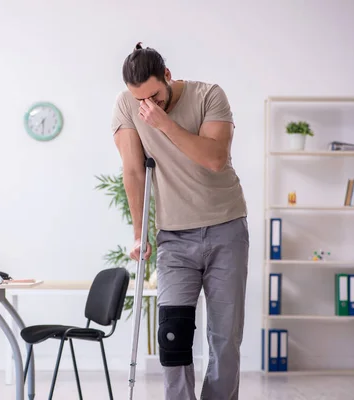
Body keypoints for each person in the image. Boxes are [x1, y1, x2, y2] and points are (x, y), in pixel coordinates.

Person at [111, 42, 249, 400]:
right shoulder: (128, 105)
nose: (147, 106)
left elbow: (216, 158)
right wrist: (139, 233)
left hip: (226, 229)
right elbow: (133, 170)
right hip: (174, 237)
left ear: (168, 77)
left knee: (224, 338)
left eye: (154, 96)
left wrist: (165, 124)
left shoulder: (209, 96)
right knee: (173, 334)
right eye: (140, 99)